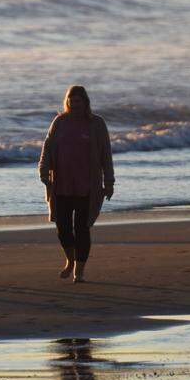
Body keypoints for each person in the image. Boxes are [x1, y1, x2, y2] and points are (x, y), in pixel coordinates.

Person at [37, 85, 115, 283]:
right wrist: (43, 170)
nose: (75, 105)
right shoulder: (60, 122)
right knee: (62, 228)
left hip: (87, 186)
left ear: (85, 102)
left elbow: (106, 154)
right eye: (71, 101)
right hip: (62, 184)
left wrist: (109, 181)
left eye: (78, 101)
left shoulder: (96, 124)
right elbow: (47, 147)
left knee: (82, 228)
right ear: (67, 102)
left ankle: (79, 270)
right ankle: (70, 261)